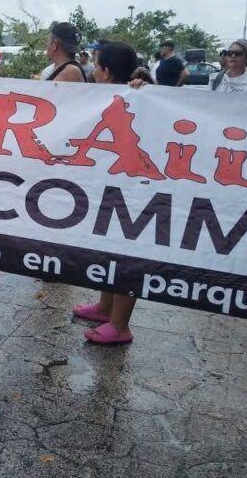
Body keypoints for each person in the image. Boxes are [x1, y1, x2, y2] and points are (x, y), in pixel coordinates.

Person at [72, 41, 152, 345]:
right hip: (108, 183)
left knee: (126, 253)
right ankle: (106, 308)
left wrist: (143, 88)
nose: (92, 68)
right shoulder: (102, 97)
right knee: (107, 246)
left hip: (130, 188)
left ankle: (120, 325)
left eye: (95, 63)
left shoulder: (137, 96)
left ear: (105, 71)